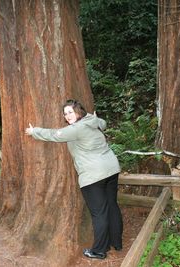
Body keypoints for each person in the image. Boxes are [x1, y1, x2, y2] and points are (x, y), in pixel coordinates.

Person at [25, 99, 123, 260]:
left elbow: (54, 135)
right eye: (65, 113)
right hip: (111, 169)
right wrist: (95, 117)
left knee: (99, 213)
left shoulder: (77, 129)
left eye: (70, 112)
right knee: (111, 205)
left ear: (79, 111)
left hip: (93, 175)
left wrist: (34, 131)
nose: (67, 116)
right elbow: (103, 123)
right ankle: (116, 242)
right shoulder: (94, 121)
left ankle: (99, 250)